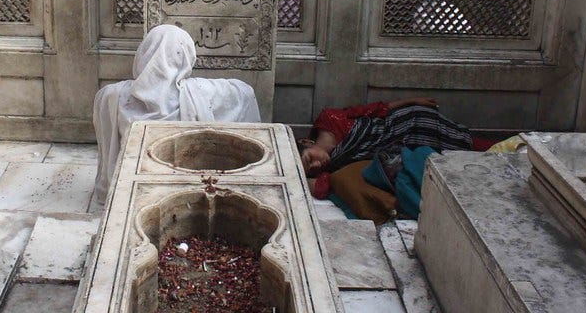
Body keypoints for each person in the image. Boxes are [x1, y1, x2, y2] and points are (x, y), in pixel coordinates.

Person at [93, 24, 261, 203]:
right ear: (186, 57)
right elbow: (245, 92)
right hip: (184, 189)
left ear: (143, 53)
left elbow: (106, 148)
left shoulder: (111, 96)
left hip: (133, 186)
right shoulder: (201, 92)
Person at [298, 97, 471, 199]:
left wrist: (413, 100)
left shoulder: (329, 118)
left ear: (306, 142)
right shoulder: (333, 167)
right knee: (456, 155)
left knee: (461, 139)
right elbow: (321, 189)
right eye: (311, 170)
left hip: (406, 119)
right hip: (403, 145)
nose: (316, 165)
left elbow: (376, 109)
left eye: (309, 159)